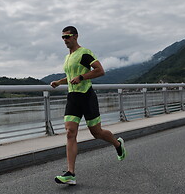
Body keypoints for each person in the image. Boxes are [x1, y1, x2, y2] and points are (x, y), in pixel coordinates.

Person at [50, 26, 127, 185]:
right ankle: (70, 173)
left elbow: (100, 70)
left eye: (68, 36)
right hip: (73, 97)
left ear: (76, 36)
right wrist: (59, 82)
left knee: (97, 133)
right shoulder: (67, 57)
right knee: (70, 132)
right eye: (63, 37)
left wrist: (82, 77)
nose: (65, 40)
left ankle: (117, 144)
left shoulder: (84, 53)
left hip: (86, 97)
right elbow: (71, 76)